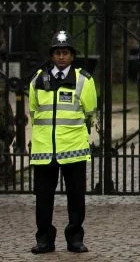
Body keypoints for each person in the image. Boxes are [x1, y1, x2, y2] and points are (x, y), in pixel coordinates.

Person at [29, 30, 97, 254]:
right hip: (44, 150)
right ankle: (44, 240)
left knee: (76, 198)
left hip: (73, 149)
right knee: (43, 199)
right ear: (52, 55)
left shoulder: (84, 81)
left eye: (65, 52)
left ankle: (75, 238)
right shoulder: (38, 79)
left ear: (72, 56)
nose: (61, 57)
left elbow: (90, 111)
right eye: (57, 52)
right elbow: (34, 111)